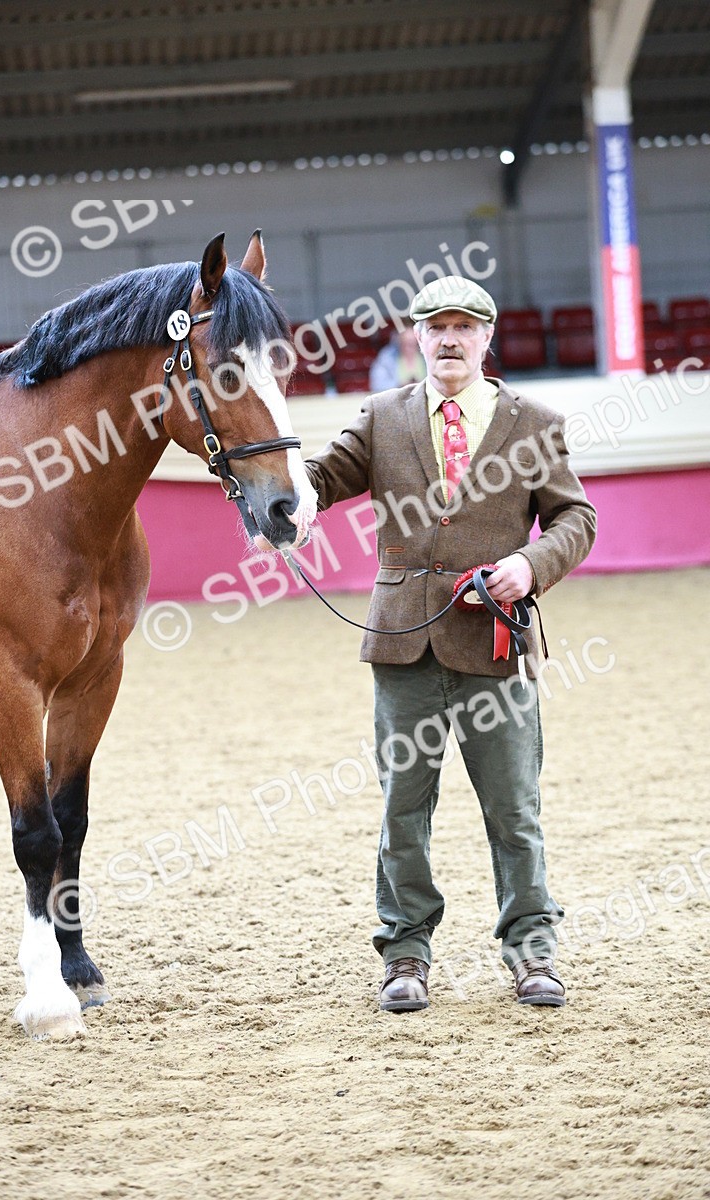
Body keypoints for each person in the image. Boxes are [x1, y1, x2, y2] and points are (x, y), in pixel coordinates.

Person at [303, 276, 596, 1011]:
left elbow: (575, 520)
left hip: (495, 646)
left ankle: (532, 953)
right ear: (419, 337)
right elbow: (316, 482)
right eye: (437, 326)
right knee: (404, 808)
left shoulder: (535, 423)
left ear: (487, 339)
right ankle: (404, 956)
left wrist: (530, 566)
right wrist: (259, 474)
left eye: (465, 327)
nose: (450, 339)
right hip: (403, 648)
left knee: (514, 810)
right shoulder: (380, 416)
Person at [369, 323, 426, 392]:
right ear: (399, 342)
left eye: (412, 343)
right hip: (397, 399)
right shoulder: (387, 357)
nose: (409, 347)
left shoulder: (427, 356)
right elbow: (377, 385)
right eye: (405, 343)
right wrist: (399, 385)